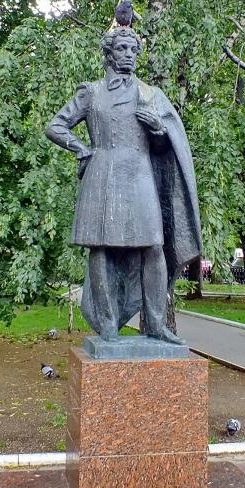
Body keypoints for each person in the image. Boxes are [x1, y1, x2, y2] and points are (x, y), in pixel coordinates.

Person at [46, 25, 202, 344]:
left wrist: (160, 131)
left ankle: (157, 325)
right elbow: (56, 125)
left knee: (154, 246)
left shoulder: (150, 94)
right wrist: (82, 149)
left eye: (132, 50)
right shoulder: (91, 92)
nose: (128, 55)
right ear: (109, 54)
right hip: (102, 175)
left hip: (141, 175)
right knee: (101, 248)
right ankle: (107, 324)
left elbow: (164, 151)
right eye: (121, 49)